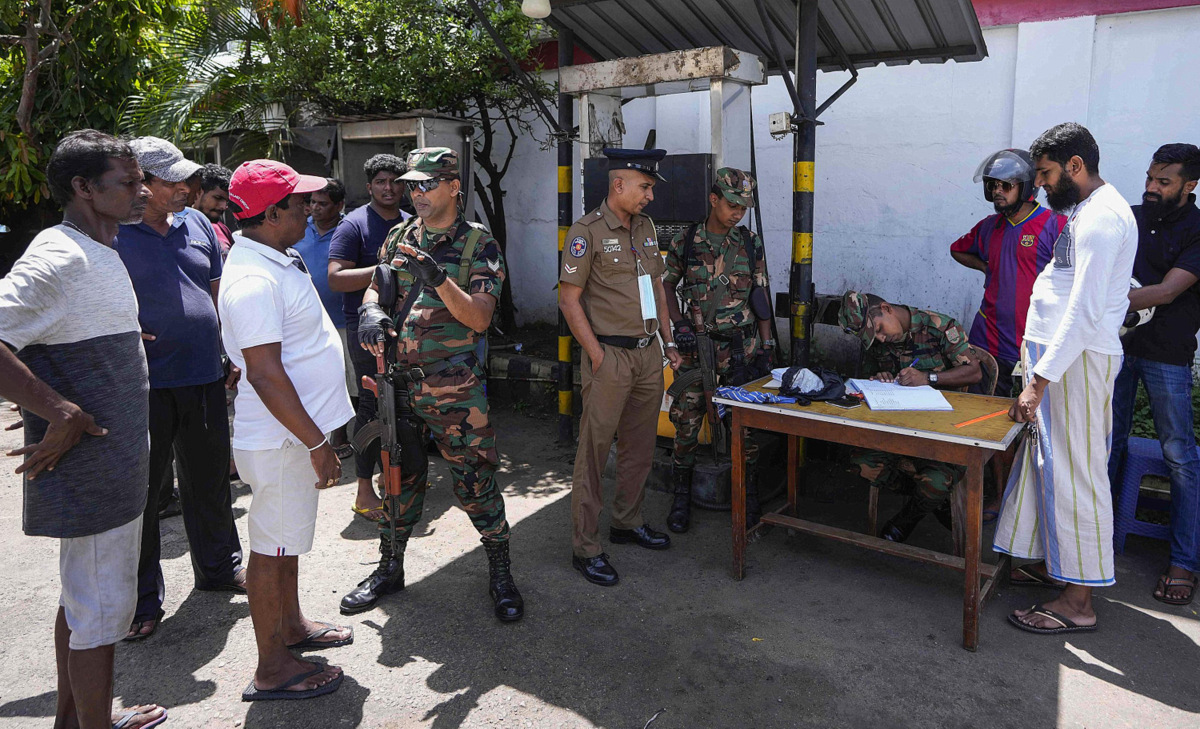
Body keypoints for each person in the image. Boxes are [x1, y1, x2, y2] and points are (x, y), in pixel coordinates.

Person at [0, 130, 167, 728]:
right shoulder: (59, 256)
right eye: (128, 182)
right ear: (83, 188)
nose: (143, 191)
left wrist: (124, 348)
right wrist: (60, 409)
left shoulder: (102, 251)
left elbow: (67, 333)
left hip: (115, 469)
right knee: (100, 611)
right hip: (93, 475)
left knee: (83, 604)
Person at [339, 147, 524, 622]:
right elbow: (378, 283)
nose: (416, 193)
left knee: (475, 480)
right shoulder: (400, 233)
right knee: (397, 477)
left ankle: (500, 570)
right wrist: (372, 310)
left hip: (455, 390)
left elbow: (480, 319)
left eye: (426, 184)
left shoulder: (477, 244)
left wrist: (438, 279)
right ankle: (389, 566)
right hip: (397, 384)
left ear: (453, 186)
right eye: (412, 185)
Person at [994, 122, 1137, 635]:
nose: (1040, 185)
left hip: (1073, 363)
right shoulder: (1086, 212)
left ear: (1075, 166)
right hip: (1057, 361)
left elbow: (1082, 310)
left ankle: (1079, 603)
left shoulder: (1102, 218)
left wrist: (1039, 382)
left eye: (1047, 174)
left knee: (1077, 474)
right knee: (1046, 466)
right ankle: (1048, 565)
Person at [221, 159, 354, 700]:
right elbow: (265, 374)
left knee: (285, 542)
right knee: (271, 549)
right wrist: (317, 443)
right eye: (299, 201)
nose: (309, 207)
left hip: (292, 434)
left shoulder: (279, 256)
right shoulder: (253, 278)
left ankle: (292, 627)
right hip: (284, 439)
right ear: (271, 212)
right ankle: (272, 667)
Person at [117, 137, 244, 641]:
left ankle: (218, 568)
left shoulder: (198, 224)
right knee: (144, 494)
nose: (185, 189)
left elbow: (216, 289)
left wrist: (229, 346)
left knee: (210, 478)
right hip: (143, 384)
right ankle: (141, 601)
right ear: (140, 184)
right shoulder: (110, 234)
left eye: (186, 179)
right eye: (171, 181)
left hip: (204, 375)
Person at [559, 148, 675, 586]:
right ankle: (585, 547)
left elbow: (656, 287)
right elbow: (569, 301)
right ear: (619, 185)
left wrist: (667, 341)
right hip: (610, 356)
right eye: (645, 187)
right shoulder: (586, 231)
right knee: (594, 452)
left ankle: (626, 522)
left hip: (647, 355)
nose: (650, 196)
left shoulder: (644, 227)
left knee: (640, 446)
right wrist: (596, 355)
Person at [1107, 143, 1200, 606]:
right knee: (1107, 441)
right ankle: (1094, 543)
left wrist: (1101, 303)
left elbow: (1165, 292)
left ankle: (1184, 561)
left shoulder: (1199, 230)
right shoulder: (1129, 216)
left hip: (1168, 354)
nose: (1152, 188)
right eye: (1149, 178)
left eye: (1164, 182)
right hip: (1118, 349)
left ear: (1190, 185)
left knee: (1180, 456)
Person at [661, 167, 774, 533]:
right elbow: (666, 288)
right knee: (687, 423)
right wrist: (678, 327)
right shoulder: (687, 240)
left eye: (743, 207)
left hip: (741, 348)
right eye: (731, 205)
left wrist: (767, 345)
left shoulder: (750, 242)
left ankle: (750, 495)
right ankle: (681, 496)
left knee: (746, 428)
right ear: (714, 199)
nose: (737, 212)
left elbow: (760, 297)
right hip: (697, 350)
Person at [838, 290, 981, 543]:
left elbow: (974, 372)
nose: (881, 339)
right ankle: (931, 501)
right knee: (862, 462)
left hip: (944, 432)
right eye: (875, 337)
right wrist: (880, 377)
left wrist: (929, 378)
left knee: (936, 481)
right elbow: (870, 379)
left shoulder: (939, 327)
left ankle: (909, 517)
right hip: (898, 429)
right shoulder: (879, 342)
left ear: (886, 308)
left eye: (880, 329)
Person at [328, 155, 410, 525]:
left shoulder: (413, 224)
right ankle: (363, 489)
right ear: (369, 185)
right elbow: (335, 278)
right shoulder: (353, 225)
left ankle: (394, 480)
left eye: (395, 180)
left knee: (404, 407)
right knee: (371, 407)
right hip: (366, 332)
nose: (389, 187)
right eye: (381, 181)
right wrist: (382, 271)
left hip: (408, 330)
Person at [951, 149, 1065, 397]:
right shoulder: (989, 226)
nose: (997, 191)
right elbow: (957, 250)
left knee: (1034, 418)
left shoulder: (1054, 224)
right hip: (988, 337)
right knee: (981, 410)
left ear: (1025, 188)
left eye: (1006, 185)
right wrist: (985, 267)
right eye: (992, 185)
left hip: (1034, 339)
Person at [293, 178, 356, 462]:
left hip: (342, 319)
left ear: (339, 205)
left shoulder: (350, 230)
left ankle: (341, 434)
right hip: (306, 320)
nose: (315, 209)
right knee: (313, 379)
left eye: (323, 203)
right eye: (312, 203)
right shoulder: (298, 229)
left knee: (345, 379)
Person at [195, 163, 235, 258]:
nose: (223, 206)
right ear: (199, 192)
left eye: (227, 201)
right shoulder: (178, 229)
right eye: (218, 198)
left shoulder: (223, 230)